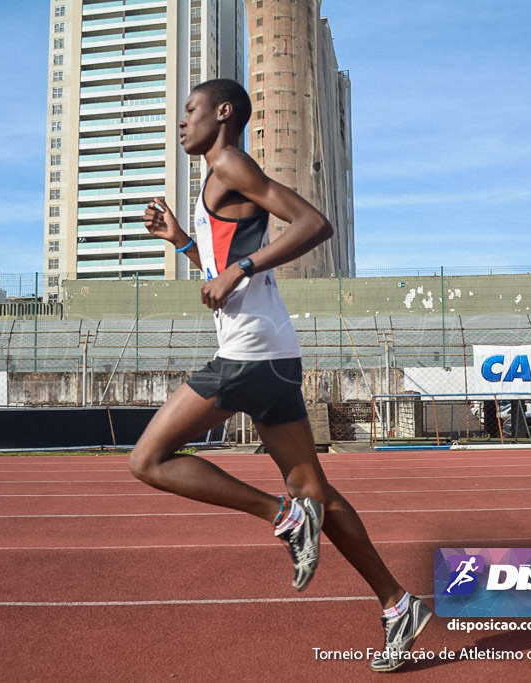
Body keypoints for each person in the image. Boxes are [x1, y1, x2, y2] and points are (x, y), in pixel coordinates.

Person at [130, 78, 431, 672]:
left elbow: (314, 223)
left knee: (148, 460)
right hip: (271, 350)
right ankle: (397, 604)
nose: (181, 122)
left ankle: (281, 517)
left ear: (222, 113)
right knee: (313, 487)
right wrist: (183, 242)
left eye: (189, 111)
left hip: (248, 353)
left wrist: (240, 267)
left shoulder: (232, 165)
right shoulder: (217, 179)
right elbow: (220, 264)